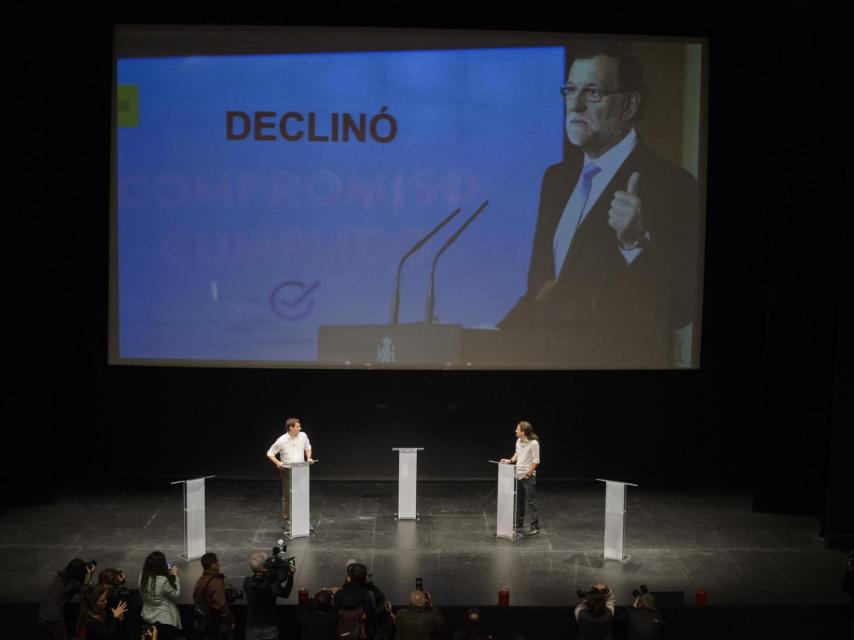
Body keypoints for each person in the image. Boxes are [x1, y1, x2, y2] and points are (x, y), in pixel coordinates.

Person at [499, 39, 700, 368]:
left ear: (630, 104)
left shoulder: (671, 185)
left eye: (592, 92)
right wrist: (481, 342)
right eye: (570, 90)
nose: (575, 105)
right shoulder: (556, 180)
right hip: (544, 377)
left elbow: (679, 309)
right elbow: (542, 291)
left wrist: (635, 242)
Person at [266, 417, 313, 529]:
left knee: (302, 495)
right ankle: (287, 521)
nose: (300, 428)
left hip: (301, 469)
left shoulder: (303, 436)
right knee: (287, 495)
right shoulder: (282, 440)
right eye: (297, 426)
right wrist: (277, 462)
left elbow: (308, 447)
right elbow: (270, 453)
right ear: (291, 428)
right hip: (287, 470)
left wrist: (309, 457)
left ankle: (303, 521)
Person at [37, 558, 95, 640]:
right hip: (54, 619)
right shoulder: (74, 584)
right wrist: (90, 574)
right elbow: (86, 589)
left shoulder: (59, 576)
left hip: (42, 615)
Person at [242, 550, 295, 640]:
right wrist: (290, 577)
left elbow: (259, 580)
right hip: (270, 629)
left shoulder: (247, 582)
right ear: (264, 567)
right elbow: (286, 593)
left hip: (252, 628)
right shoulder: (272, 585)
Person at [500, 421, 541, 535]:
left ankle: (535, 526)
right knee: (519, 500)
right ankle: (519, 522)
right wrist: (509, 461)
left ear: (523, 432)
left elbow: (535, 460)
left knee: (531, 502)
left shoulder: (533, 444)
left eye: (517, 429)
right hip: (518, 474)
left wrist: (529, 472)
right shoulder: (519, 441)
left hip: (528, 476)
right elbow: (517, 453)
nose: (515, 430)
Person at [333, 562, 391, 640]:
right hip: (366, 634)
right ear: (365, 577)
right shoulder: (372, 595)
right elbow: (380, 605)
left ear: (349, 577)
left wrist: (346, 584)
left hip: (343, 634)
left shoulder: (339, 594)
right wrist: (370, 583)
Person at [192, 552, 236, 640]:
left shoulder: (201, 580)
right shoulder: (215, 582)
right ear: (213, 565)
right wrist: (231, 619)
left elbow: (195, 597)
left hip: (205, 625)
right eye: (217, 563)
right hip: (217, 626)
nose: (219, 564)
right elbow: (220, 606)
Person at [139, 551, 182, 640]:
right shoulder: (163, 581)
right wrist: (176, 577)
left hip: (147, 615)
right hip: (163, 620)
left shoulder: (142, 575)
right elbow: (176, 594)